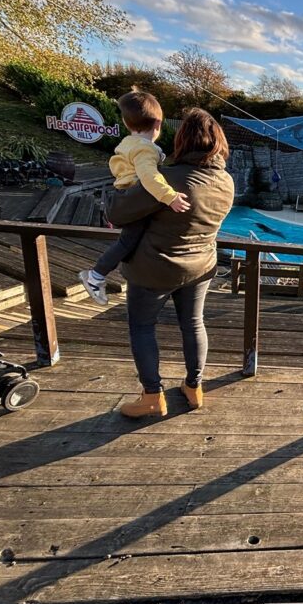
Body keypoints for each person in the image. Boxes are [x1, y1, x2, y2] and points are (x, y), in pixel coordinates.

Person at [105, 108, 234, 419]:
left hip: (154, 268)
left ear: (182, 140)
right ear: (218, 143)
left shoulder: (167, 179)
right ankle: (194, 387)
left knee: (142, 326)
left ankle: (152, 396)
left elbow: (117, 213)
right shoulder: (226, 181)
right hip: (201, 266)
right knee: (193, 324)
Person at [79, 88, 191, 306]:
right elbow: (149, 177)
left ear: (126, 122)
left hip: (124, 196)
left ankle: (101, 275)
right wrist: (170, 197)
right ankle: (95, 276)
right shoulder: (144, 149)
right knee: (127, 241)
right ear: (158, 125)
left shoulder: (128, 144)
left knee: (131, 240)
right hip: (133, 198)